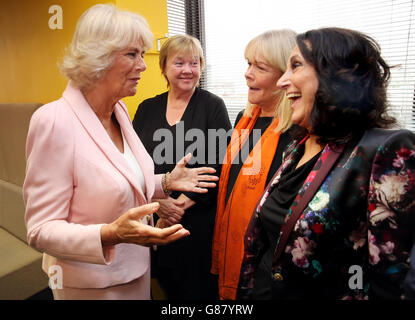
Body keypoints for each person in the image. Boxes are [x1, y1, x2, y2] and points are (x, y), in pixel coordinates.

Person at [23, 4, 218, 300]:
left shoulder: (120, 111)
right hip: (91, 285)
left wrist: (164, 182)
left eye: (142, 54)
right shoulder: (54, 121)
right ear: (96, 57)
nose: (143, 65)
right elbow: (40, 230)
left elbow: (124, 180)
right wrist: (110, 234)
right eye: (132, 54)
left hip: (137, 271)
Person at [237, 27, 415, 300]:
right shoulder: (299, 144)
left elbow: (388, 280)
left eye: (295, 66)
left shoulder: (385, 149)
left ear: (337, 76)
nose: (283, 81)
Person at [132, 34, 231, 300]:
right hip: (154, 217)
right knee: (165, 287)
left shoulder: (213, 106)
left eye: (194, 62)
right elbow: (132, 162)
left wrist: (177, 207)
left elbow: (219, 166)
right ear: (163, 67)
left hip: (197, 223)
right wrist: (159, 203)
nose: (188, 70)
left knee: (198, 291)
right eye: (179, 63)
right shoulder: (145, 108)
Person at [211, 29, 299, 300]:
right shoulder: (243, 119)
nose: (248, 73)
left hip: (266, 270)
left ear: (286, 76)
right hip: (233, 258)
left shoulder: (297, 132)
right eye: (248, 64)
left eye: (259, 67)